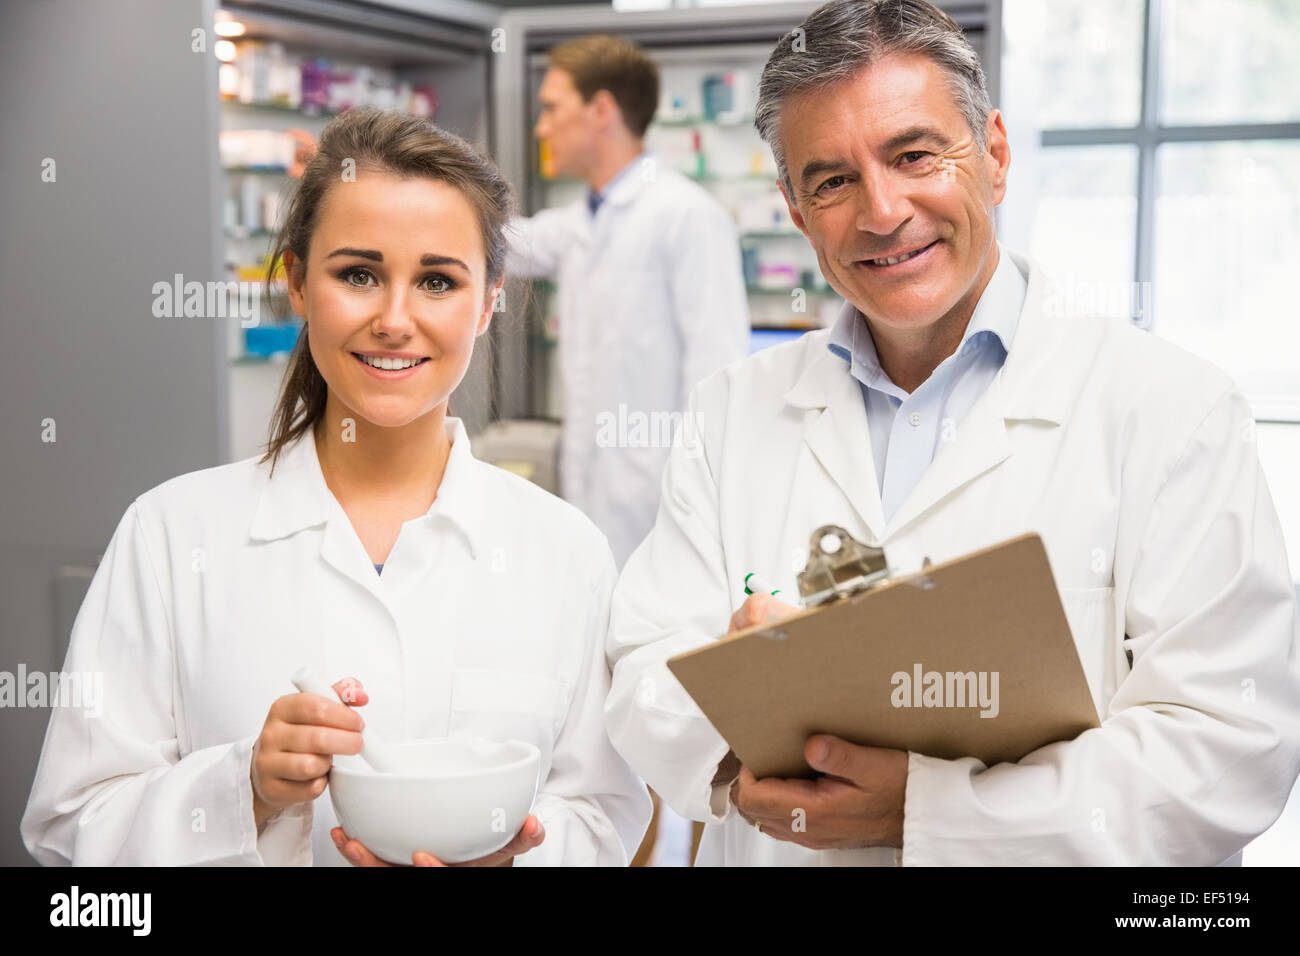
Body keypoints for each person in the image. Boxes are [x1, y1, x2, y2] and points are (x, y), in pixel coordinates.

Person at [604, 0, 1300, 866]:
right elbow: (641, 663)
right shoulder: (730, 411)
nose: (882, 211)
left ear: (996, 154)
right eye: (831, 180)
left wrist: (932, 812)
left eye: (914, 155)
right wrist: (740, 729)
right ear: (791, 205)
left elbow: (1230, 751)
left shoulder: (1172, 411)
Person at [21, 107, 651, 866]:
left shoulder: (564, 550)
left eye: (438, 281)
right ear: (295, 280)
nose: (394, 318)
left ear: (488, 301)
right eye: (358, 274)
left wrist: (513, 857)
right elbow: (69, 828)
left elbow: (603, 815)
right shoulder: (171, 534)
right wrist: (244, 788)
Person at [506, 34, 750, 570]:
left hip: (661, 500)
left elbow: (719, 369)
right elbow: (497, 244)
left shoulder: (686, 215)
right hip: (592, 489)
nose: (541, 127)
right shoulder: (579, 220)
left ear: (601, 109)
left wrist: (695, 499)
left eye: (551, 108)